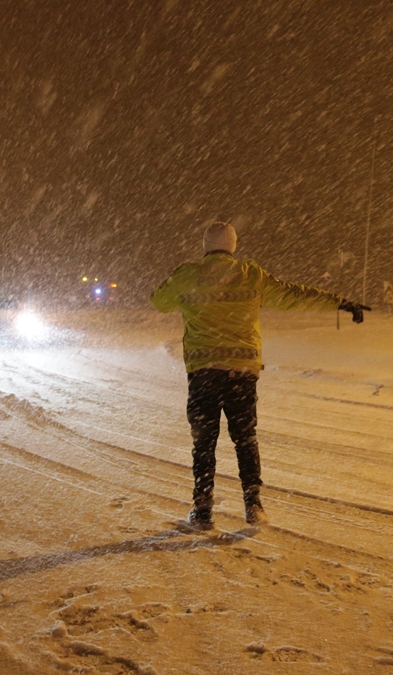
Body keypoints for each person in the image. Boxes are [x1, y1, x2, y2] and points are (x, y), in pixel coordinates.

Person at [151, 221, 370, 530]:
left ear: (205, 245)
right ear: (233, 245)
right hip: (241, 373)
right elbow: (294, 295)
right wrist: (339, 301)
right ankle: (253, 505)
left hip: (204, 374)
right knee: (245, 438)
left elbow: (158, 302)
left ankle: (202, 510)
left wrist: (179, 284)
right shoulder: (251, 276)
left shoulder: (188, 276)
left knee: (204, 442)